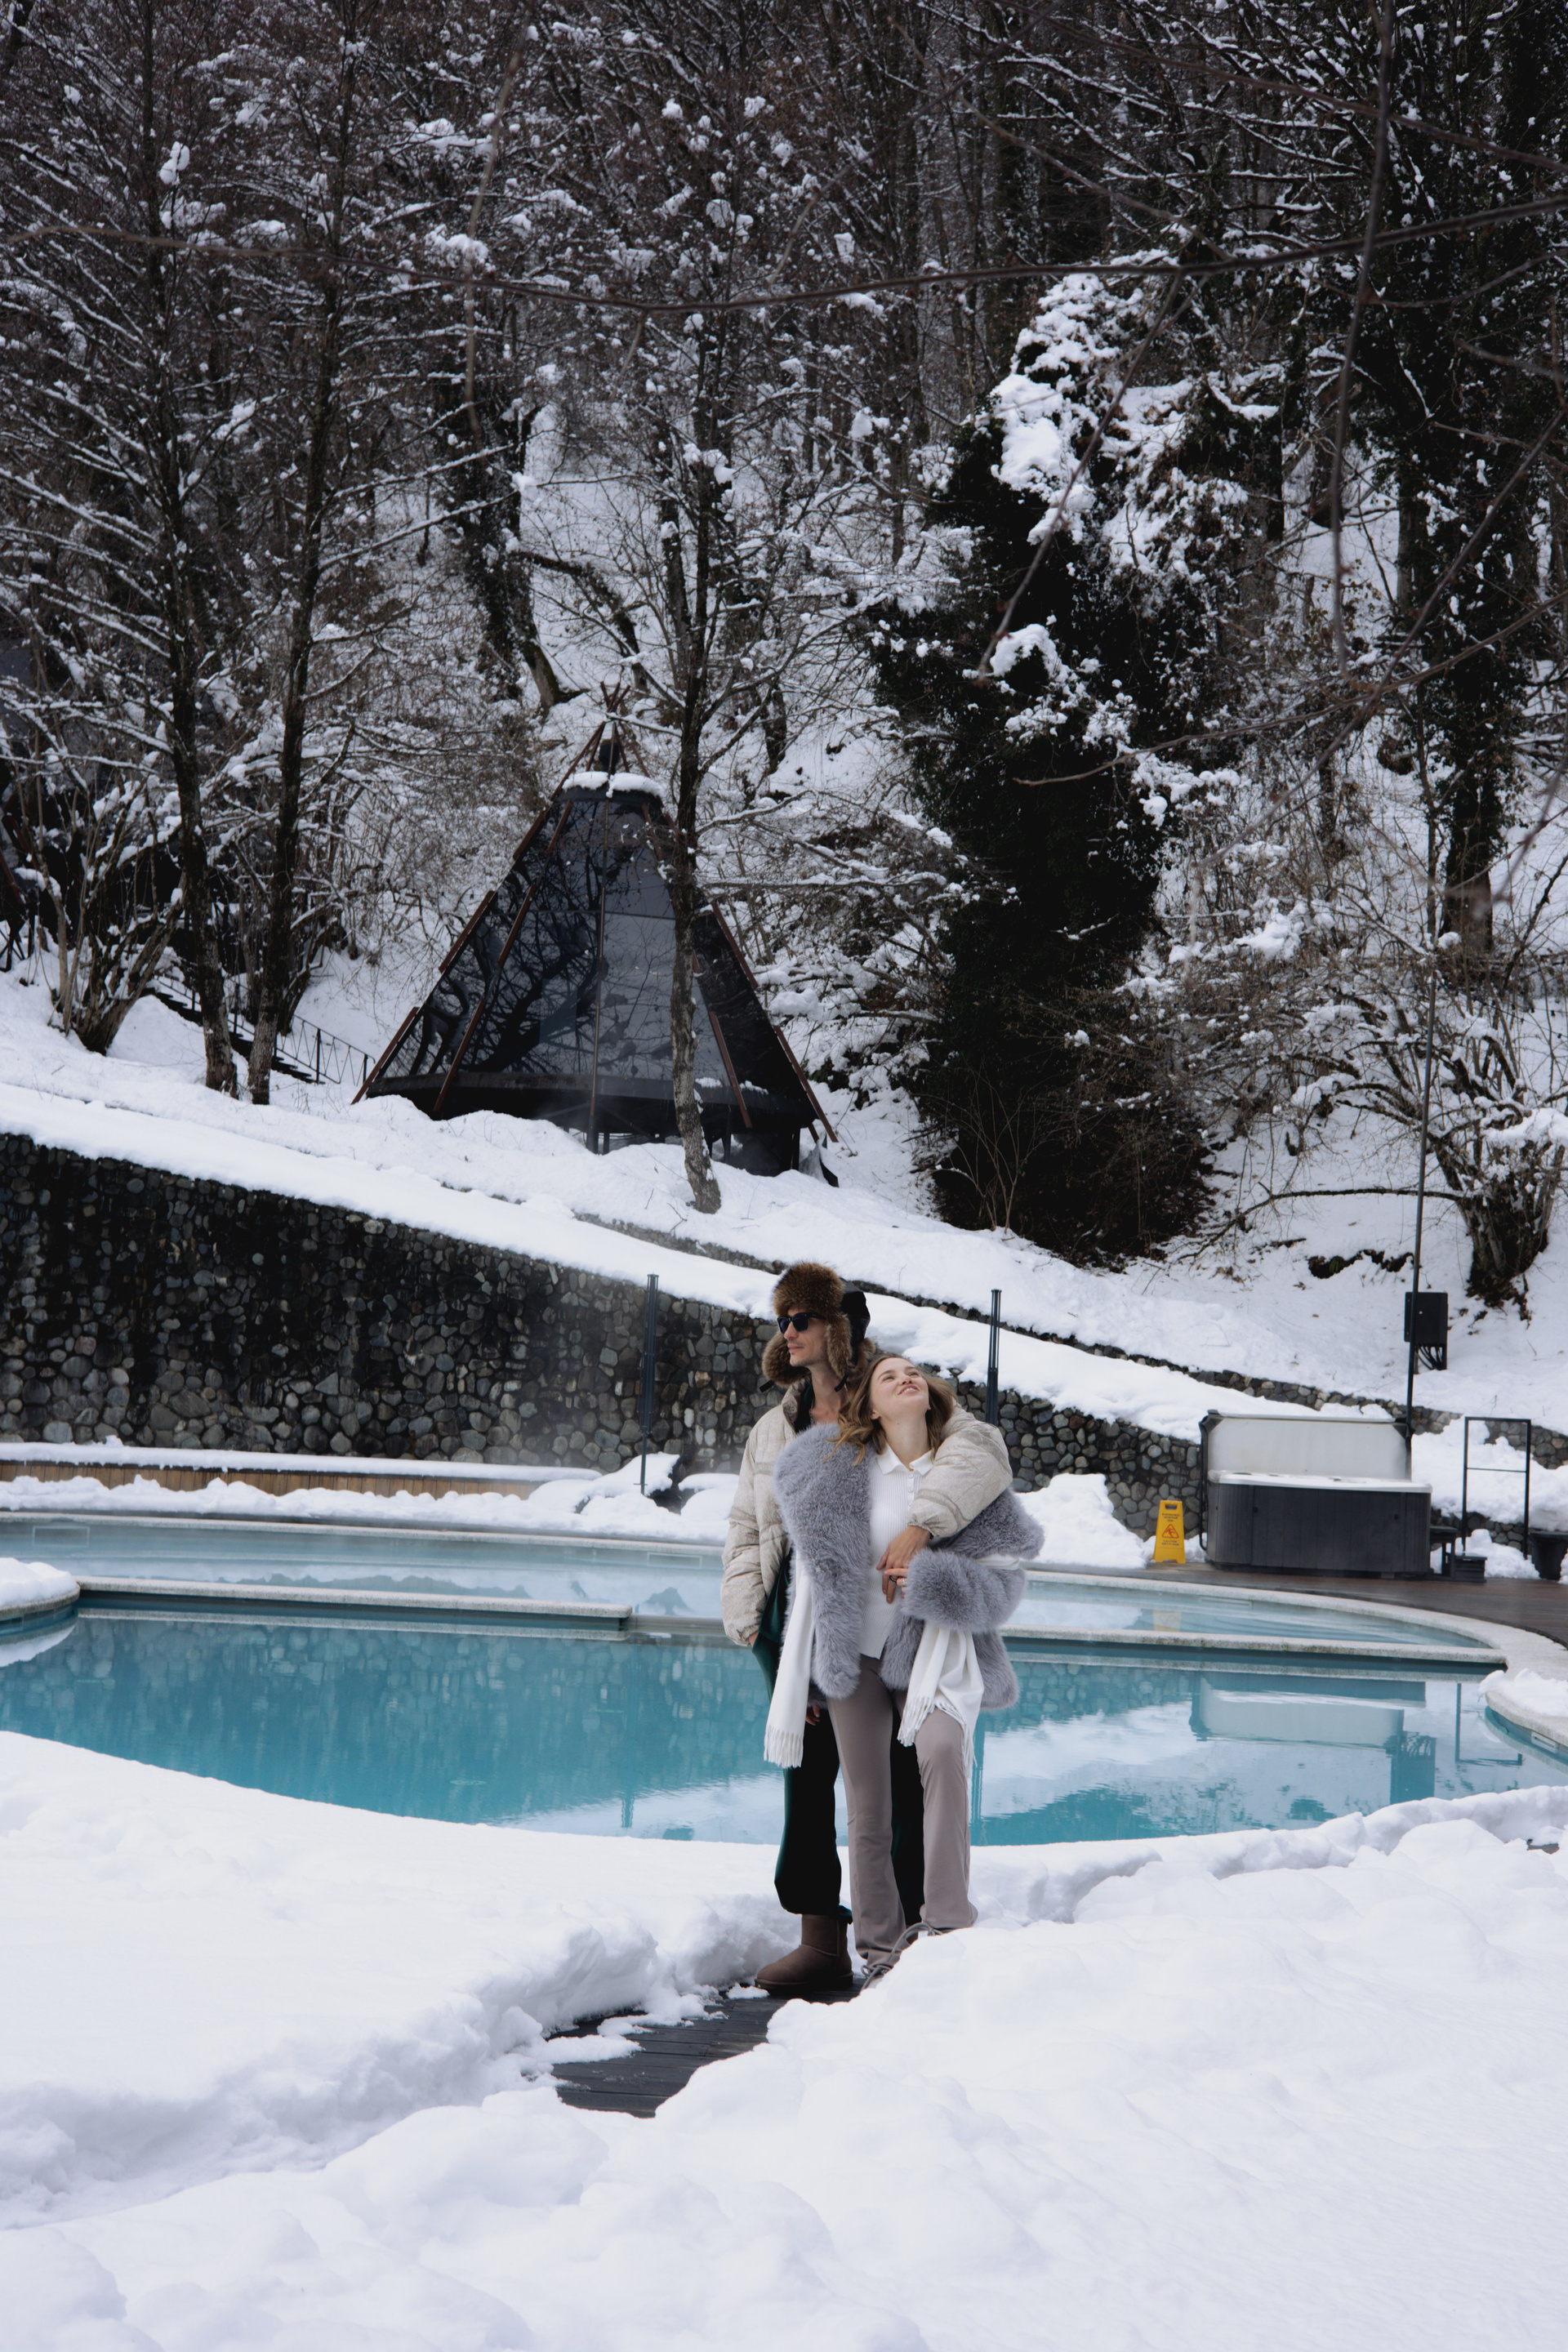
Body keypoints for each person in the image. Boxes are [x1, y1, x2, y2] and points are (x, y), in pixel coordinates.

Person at [722, 1265, 1015, 1993]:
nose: (787, 1332)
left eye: (802, 1319)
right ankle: (822, 1937)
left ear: (839, 1329)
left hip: (887, 1622)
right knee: (806, 1781)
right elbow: (746, 1524)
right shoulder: (776, 1427)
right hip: (795, 1620)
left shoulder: (895, 1395)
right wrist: (749, 1616)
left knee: (898, 1783)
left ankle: (916, 1933)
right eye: (782, 1320)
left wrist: (925, 1526)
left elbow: (979, 1455)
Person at [768, 1351, 1040, 1984]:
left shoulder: (965, 1473)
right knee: (869, 1805)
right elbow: (813, 1582)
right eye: (889, 1376)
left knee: (943, 1753)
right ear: (869, 1406)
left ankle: (946, 1924)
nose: (906, 1378)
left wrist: (931, 1582)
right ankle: (881, 1951)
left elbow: (1007, 1580)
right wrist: (804, 1676)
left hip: (935, 1655)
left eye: (914, 1372)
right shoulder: (842, 1473)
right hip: (855, 1660)